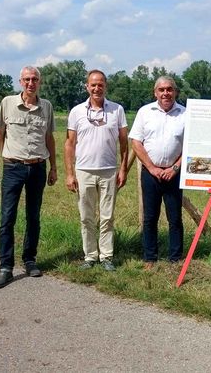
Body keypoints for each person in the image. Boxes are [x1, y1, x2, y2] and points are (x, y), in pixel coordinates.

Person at [0, 66, 57, 289]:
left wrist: (54, 167)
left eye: (34, 79)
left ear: (40, 82)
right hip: (13, 167)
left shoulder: (46, 106)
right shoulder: (7, 103)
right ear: (20, 81)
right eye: (27, 79)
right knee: (7, 218)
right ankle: (5, 267)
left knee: (33, 217)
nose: (31, 83)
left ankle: (30, 260)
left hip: (37, 168)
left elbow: (49, 138)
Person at [64, 70, 128, 272]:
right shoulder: (76, 112)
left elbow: (124, 143)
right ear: (87, 87)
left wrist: (123, 169)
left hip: (109, 171)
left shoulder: (117, 110)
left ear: (105, 86)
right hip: (84, 171)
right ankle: (90, 256)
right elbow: (69, 144)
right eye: (93, 85)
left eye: (100, 84)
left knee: (107, 217)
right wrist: (69, 173)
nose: (96, 88)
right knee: (86, 216)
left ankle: (106, 256)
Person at [129, 76, 185, 268]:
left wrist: (175, 168)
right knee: (150, 218)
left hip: (174, 175)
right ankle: (149, 258)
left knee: (175, 218)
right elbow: (136, 142)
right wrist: (152, 168)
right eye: (161, 90)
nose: (165, 93)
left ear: (175, 92)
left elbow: (191, 146)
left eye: (169, 89)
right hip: (150, 173)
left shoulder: (185, 114)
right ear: (155, 92)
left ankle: (175, 258)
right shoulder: (145, 112)